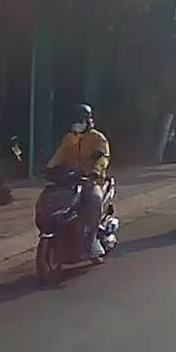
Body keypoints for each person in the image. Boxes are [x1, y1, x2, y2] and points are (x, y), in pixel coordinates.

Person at [46, 103, 111, 262]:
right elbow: (59, 156)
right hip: (72, 180)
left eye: (80, 120)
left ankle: (93, 239)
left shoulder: (98, 138)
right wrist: (50, 168)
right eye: (75, 120)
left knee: (94, 199)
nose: (77, 124)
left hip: (92, 181)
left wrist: (95, 171)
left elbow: (103, 158)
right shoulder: (69, 138)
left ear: (88, 121)